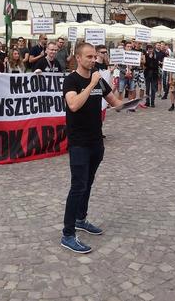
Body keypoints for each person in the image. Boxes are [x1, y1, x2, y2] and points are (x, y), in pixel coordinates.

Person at [61, 42, 122, 254]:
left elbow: (115, 102)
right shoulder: (71, 80)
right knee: (77, 186)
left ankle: (81, 219)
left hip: (97, 142)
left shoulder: (99, 79)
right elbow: (74, 105)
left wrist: (130, 103)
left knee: (88, 183)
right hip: (79, 143)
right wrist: (91, 85)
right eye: (88, 56)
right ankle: (67, 234)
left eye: (94, 56)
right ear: (78, 58)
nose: (93, 60)